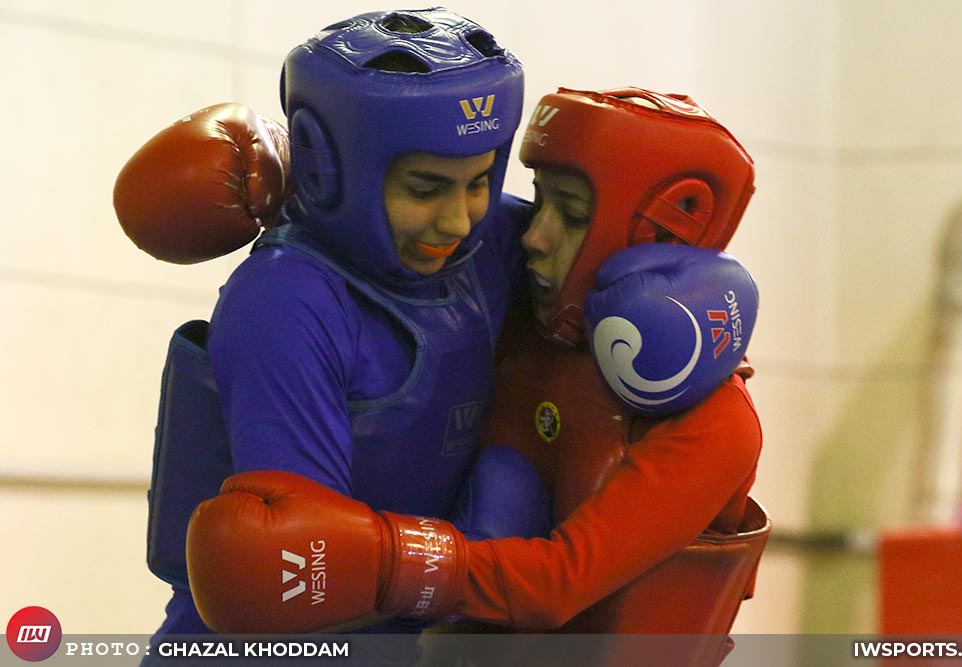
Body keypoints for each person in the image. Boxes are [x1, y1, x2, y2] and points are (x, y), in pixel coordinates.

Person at [182, 88, 770, 666]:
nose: (532, 235)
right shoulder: (526, 321)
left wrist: (381, 559)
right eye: (538, 201)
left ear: (657, 237)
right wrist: (293, 162)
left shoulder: (714, 422)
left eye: (570, 214)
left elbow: (558, 583)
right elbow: (396, 208)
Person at [113, 8, 551, 652]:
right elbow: (299, 566)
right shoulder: (287, 301)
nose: (458, 221)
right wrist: (464, 564)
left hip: (405, 641)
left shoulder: (491, 245)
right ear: (333, 169)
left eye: (479, 182)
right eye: (425, 187)